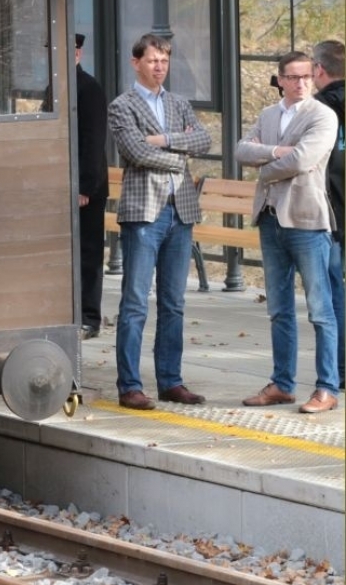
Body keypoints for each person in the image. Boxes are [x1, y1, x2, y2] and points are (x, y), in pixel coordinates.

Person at [107, 33, 212, 410]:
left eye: (164, 61)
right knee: (135, 303)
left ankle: (171, 381)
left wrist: (161, 139)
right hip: (143, 214)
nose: (159, 67)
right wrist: (178, 150)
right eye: (153, 60)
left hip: (180, 212)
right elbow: (135, 151)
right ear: (136, 62)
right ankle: (129, 386)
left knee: (174, 303)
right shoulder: (122, 105)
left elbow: (204, 141)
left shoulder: (178, 103)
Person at [234, 51, 340, 413]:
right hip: (269, 219)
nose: (301, 83)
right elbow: (241, 150)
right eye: (293, 77)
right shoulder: (268, 115)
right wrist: (277, 150)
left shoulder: (323, 115)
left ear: (314, 76)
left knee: (320, 310)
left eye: (307, 76)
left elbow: (304, 159)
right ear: (280, 80)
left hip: (307, 221)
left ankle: (326, 388)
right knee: (279, 309)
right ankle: (282, 384)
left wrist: (265, 167)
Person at [312, 39, 345, 403]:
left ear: (319, 70)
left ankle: (339, 369)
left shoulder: (318, 110)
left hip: (332, 215)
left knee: (333, 292)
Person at [74, 33, 109, 339]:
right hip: (68, 185)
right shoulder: (57, 87)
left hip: (88, 188)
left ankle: (89, 317)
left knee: (89, 253)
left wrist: (85, 186)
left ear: (78, 53)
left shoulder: (89, 88)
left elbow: (94, 141)